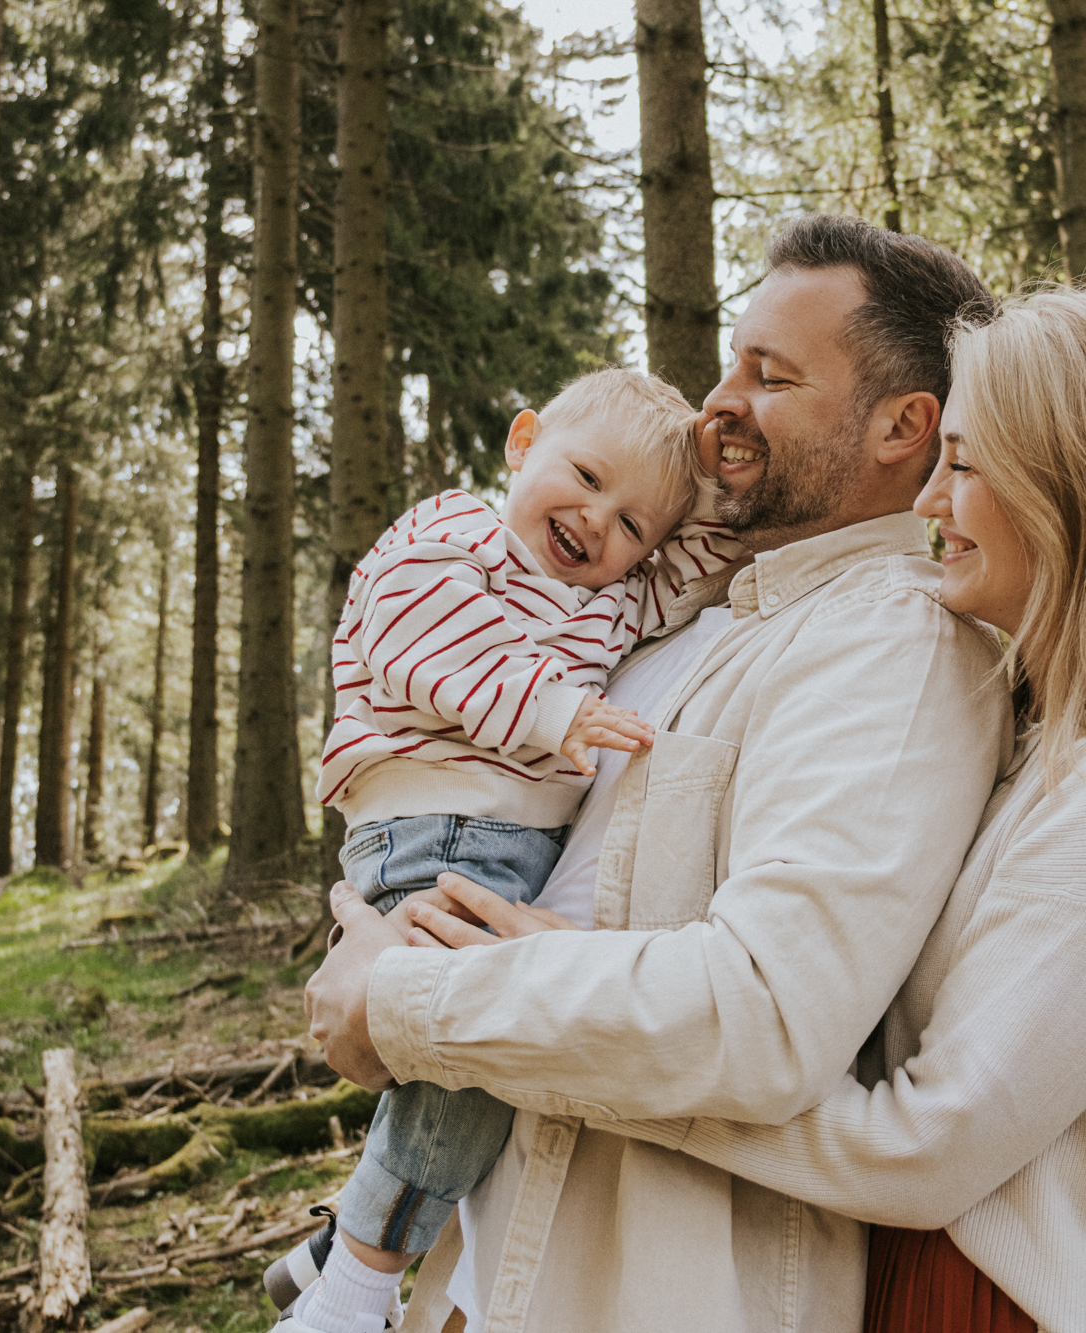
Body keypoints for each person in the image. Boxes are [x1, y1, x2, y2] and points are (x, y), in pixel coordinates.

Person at [385, 285, 1086, 1331]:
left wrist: (554, 1043)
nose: (930, 501)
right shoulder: (1053, 746)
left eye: (965, 465)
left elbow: (924, 1144)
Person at [304, 214, 1014, 1332]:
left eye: (770, 376)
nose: (717, 404)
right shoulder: (690, 615)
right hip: (491, 1277)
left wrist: (401, 1000)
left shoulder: (892, 645)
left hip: (646, 1293)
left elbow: (764, 1016)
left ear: (901, 425)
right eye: (731, 363)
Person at [273, 368, 747, 1333]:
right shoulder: (456, 535)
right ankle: (352, 1291)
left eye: (631, 523)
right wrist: (553, 710)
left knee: (489, 1048)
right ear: (523, 442)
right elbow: (421, 642)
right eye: (586, 476)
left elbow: (709, 555)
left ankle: (325, 1259)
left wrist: (711, 472)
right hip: (436, 819)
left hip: (503, 840)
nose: (596, 521)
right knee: (478, 1053)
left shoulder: (613, 597)